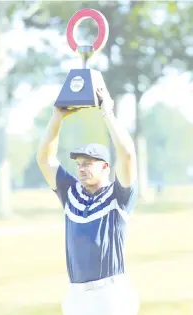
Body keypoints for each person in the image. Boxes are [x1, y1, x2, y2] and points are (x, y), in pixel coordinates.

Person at [36, 87, 139, 315]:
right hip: (76, 295)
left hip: (111, 294)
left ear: (105, 166)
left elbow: (128, 155)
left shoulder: (119, 196)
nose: (81, 169)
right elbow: (44, 159)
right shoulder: (71, 192)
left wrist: (108, 114)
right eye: (79, 164)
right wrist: (56, 119)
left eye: (88, 163)